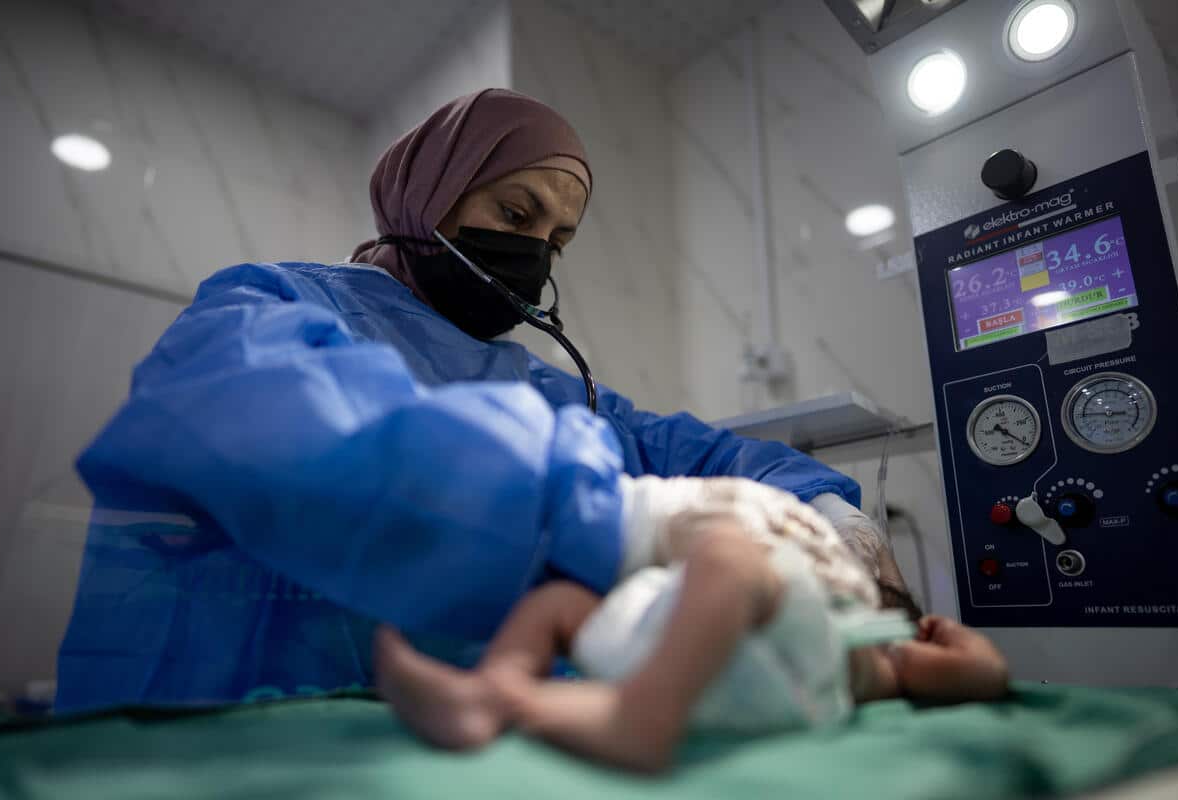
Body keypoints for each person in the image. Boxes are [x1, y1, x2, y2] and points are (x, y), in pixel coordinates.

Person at [56, 89, 908, 714]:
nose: (534, 253)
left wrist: (835, 517)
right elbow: (269, 428)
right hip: (218, 729)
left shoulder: (542, 387)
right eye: (516, 210)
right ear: (430, 193)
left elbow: (709, 457)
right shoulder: (271, 306)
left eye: (557, 239)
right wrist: (603, 519)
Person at [375, 478, 1009, 774]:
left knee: (729, 551)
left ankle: (640, 719)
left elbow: (983, 676)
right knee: (564, 597)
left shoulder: (880, 651)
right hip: (675, 644)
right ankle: (492, 692)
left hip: (776, 675)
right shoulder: (750, 589)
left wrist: (961, 648)